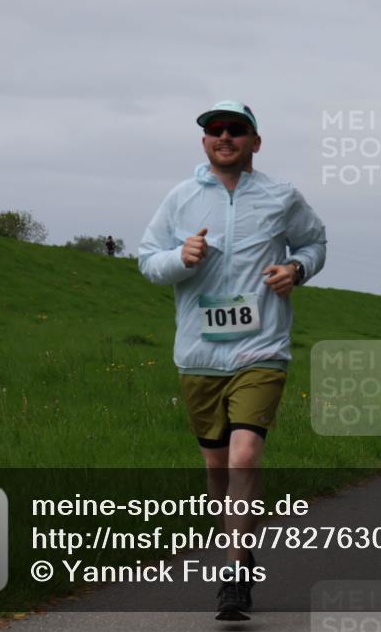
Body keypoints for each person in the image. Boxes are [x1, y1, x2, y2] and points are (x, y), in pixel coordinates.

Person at [138, 100, 327, 620]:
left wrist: (296, 268)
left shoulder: (280, 195)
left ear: (254, 142)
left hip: (261, 349)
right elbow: (146, 260)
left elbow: (314, 242)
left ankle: (235, 573)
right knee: (218, 468)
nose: (224, 137)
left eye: (236, 130)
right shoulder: (181, 199)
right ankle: (240, 538)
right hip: (199, 355)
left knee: (245, 457)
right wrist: (181, 258)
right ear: (204, 142)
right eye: (214, 130)